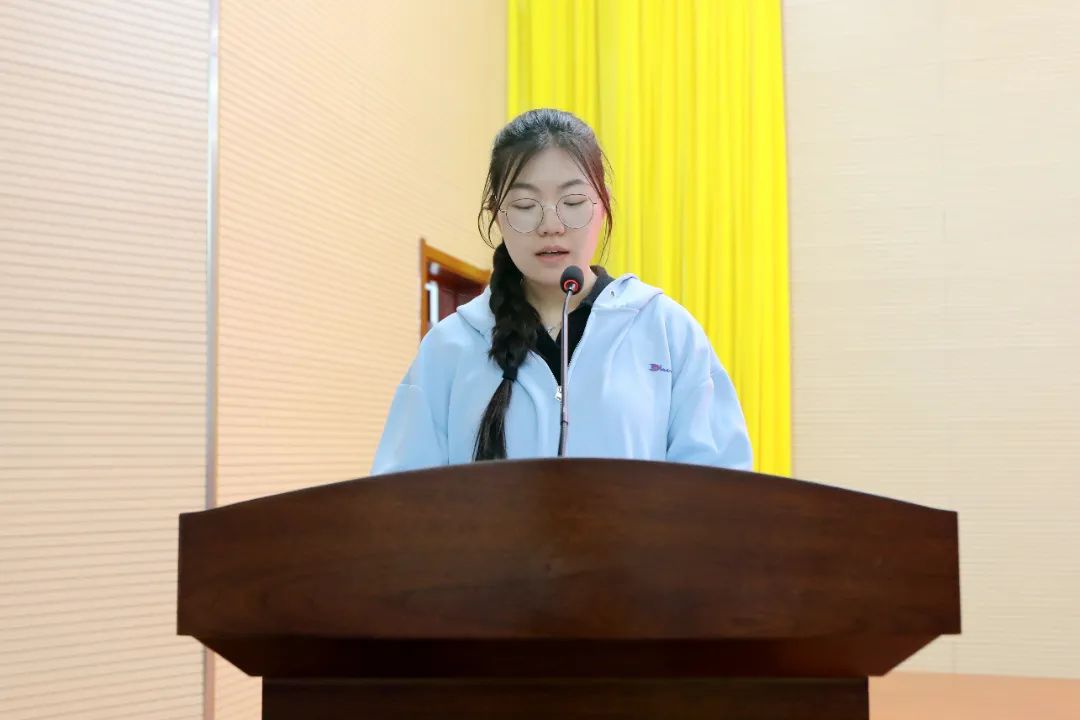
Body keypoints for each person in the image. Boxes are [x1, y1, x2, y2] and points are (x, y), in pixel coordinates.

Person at [371, 108, 752, 474]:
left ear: (602, 206)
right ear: (496, 215)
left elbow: (716, 489)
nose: (550, 225)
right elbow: (403, 497)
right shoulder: (448, 347)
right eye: (525, 205)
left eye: (572, 202)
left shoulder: (666, 331)